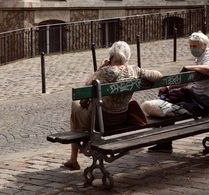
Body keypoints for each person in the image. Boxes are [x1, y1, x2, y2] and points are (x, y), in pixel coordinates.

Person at [62, 41, 163, 170]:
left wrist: (100, 68)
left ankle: (73, 159)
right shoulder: (134, 70)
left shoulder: (106, 72)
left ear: (111, 56)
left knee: (74, 108)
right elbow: (158, 75)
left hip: (101, 121)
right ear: (127, 56)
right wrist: (141, 73)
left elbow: (85, 89)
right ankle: (83, 146)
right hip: (122, 118)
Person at [147, 31, 209, 153]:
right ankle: (163, 141)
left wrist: (189, 67)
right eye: (191, 46)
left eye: (195, 46)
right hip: (198, 97)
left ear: (204, 46)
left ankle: (164, 143)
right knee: (166, 100)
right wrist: (169, 87)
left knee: (167, 108)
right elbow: (186, 82)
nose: (192, 49)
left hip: (203, 101)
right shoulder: (201, 57)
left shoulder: (208, 57)